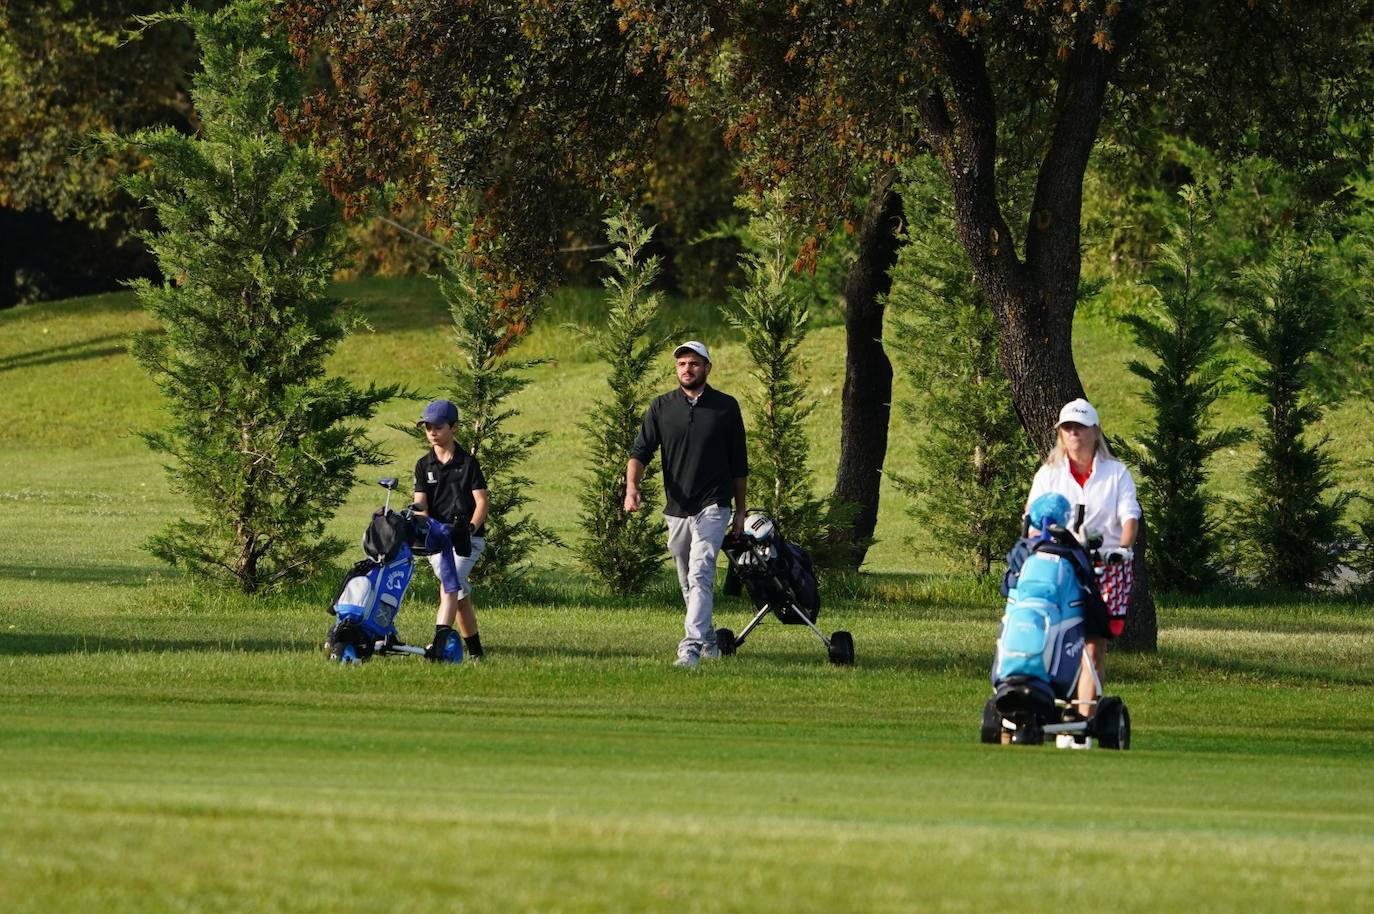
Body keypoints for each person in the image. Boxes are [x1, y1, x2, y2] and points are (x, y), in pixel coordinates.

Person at [625, 341, 748, 668]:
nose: (687, 369)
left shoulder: (726, 407)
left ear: (707, 367)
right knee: (687, 579)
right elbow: (640, 453)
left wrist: (740, 511)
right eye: (681, 364)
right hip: (677, 508)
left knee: (702, 571)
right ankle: (708, 641)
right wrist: (631, 488)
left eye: (694, 363)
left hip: (714, 505)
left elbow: (739, 464)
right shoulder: (661, 407)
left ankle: (689, 649)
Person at [1025, 397, 1140, 717]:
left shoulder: (1116, 474)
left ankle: (1083, 720)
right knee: (1050, 638)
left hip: (1103, 567)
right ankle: (1039, 707)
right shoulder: (1049, 474)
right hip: (1059, 567)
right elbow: (1032, 518)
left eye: (1080, 428)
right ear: (1061, 434)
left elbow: (1129, 516)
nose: (1074, 434)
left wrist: (1124, 549)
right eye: (1068, 428)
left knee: (1092, 646)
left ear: (1095, 432)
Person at [413, 399, 489, 660]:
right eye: (427, 427)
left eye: (438, 426)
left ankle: (439, 642)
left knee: (448, 586)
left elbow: (482, 502)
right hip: (437, 540)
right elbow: (420, 504)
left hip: (467, 540)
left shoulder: (468, 464)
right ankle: (477, 654)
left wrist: (468, 529)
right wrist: (425, 525)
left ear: (454, 427)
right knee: (459, 596)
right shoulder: (423, 465)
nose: (432, 432)